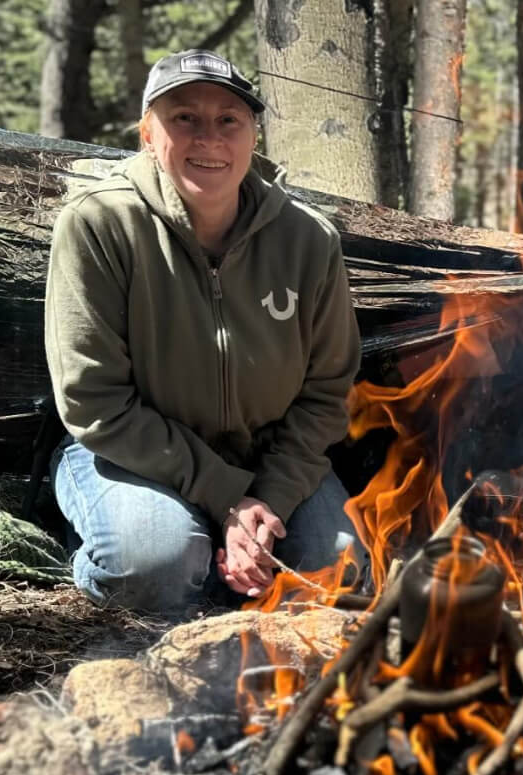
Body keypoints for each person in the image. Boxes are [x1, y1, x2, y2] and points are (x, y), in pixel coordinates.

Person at [45, 49, 362, 612]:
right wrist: (227, 497)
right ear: (148, 132)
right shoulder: (99, 222)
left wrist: (269, 498)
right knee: (154, 567)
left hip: (265, 458)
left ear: (252, 137)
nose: (208, 138)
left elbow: (327, 391)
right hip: (130, 454)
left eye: (228, 120)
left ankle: (219, 561)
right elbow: (93, 402)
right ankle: (124, 550)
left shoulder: (308, 240)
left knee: (332, 573)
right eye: (184, 118)